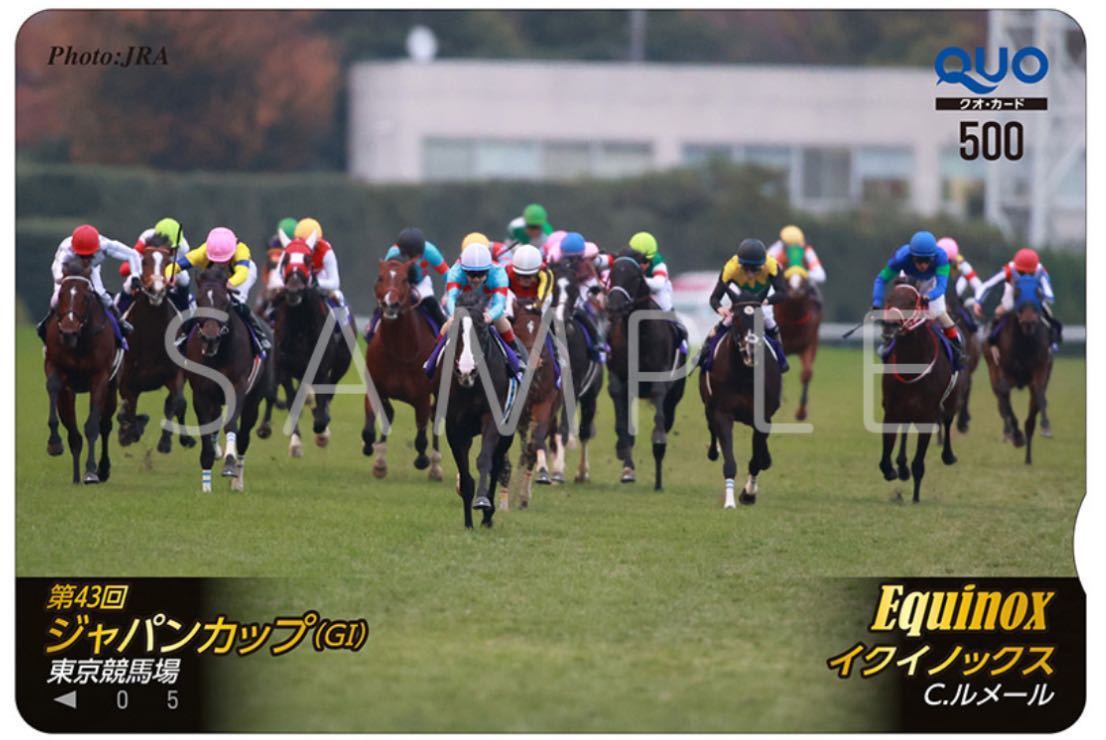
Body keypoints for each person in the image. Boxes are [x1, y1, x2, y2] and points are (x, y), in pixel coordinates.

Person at [871, 230, 964, 369]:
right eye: (919, 260)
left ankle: (958, 351)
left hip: (931, 285)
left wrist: (929, 297)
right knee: (897, 314)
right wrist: (877, 303)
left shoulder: (941, 258)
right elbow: (881, 279)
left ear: (933, 257)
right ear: (912, 256)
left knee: (939, 312)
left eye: (927, 261)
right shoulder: (901, 257)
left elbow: (941, 286)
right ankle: (887, 346)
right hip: (909, 281)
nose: (923, 265)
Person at [168, 226, 270, 352]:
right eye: (216, 259)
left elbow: (242, 273)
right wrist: (169, 275)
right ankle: (186, 333)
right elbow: (175, 266)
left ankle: (259, 336)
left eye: (224, 259)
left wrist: (230, 283)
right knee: (198, 303)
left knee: (236, 302)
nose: (220, 263)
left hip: (241, 274)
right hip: (218, 278)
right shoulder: (203, 252)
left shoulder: (242, 251)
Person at [39, 224, 141, 342]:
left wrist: (135, 276)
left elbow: (133, 254)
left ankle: (119, 321)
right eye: (82, 256)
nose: (86, 260)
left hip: (91, 269)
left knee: (101, 294)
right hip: (68, 271)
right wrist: (65, 280)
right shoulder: (66, 249)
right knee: (55, 299)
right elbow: (56, 270)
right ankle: (45, 325)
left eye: (89, 255)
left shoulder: (105, 245)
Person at [700, 238, 790, 372]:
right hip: (740, 298)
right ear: (740, 264)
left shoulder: (772, 265)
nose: (750, 274)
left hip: (762, 297)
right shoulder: (730, 268)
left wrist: (765, 301)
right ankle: (705, 355)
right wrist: (721, 309)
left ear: (762, 264)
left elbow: (783, 293)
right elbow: (714, 298)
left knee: (769, 321)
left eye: (755, 269)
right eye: (746, 268)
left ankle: (781, 359)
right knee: (726, 323)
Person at [442, 240, 529, 368]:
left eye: (481, 274)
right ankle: (433, 359)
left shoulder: (499, 273)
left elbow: (499, 304)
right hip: (465, 306)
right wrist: (453, 314)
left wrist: (490, 315)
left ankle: (516, 355)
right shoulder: (455, 273)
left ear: (488, 270)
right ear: (463, 270)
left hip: (488, 306)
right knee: (448, 324)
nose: (476, 279)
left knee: (501, 320)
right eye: (471, 274)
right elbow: (451, 299)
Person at [367, 227, 449, 336]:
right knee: (386, 302)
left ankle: (445, 333)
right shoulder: (393, 253)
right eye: (411, 256)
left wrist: (447, 294)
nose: (414, 260)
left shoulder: (431, 252)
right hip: (399, 283)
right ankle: (371, 331)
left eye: (417, 256)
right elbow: (386, 276)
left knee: (431, 303)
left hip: (420, 282)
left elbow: (448, 274)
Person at [974, 247, 1061, 349]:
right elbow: (987, 285)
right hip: (1013, 293)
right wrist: (977, 301)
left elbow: (1048, 293)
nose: (1026, 276)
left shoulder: (1041, 271)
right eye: (1021, 273)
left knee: (1048, 313)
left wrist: (1041, 299)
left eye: (1030, 274)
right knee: (1002, 310)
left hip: (1033, 297)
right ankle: (991, 339)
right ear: (1016, 268)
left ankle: (1053, 341)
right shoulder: (1009, 270)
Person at [117, 217, 192, 312]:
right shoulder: (146, 236)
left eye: (171, 248)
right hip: (149, 266)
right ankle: (118, 315)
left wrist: (173, 278)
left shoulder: (183, 248)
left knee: (185, 279)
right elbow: (124, 269)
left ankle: (185, 314)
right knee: (128, 283)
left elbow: (177, 268)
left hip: (170, 267)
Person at [767, 224, 826, 301]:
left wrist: (804, 273)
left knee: (815, 294)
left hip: (804, 285)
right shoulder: (777, 248)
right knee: (769, 292)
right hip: (781, 282)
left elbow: (821, 276)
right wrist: (783, 273)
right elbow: (767, 267)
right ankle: (769, 312)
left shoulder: (807, 250)